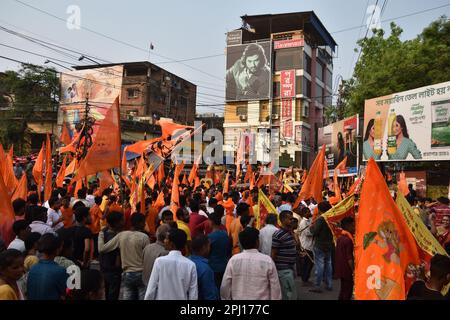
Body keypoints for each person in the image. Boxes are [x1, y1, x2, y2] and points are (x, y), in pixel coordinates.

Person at [98, 213, 150, 300]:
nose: (145, 224)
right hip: (141, 274)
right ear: (139, 223)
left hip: (127, 274)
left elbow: (102, 249)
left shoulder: (121, 235)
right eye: (144, 222)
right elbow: (147, 258)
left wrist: (101, 235)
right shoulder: (144, 237)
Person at [220, 227, 281, 300]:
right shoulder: (267, 261)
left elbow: (225, 286)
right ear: (257, 242)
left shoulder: (233, 260)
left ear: (241, 243)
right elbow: (275, 289)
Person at [144, 228, 198, 300]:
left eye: (166, 239)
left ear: (172, 244)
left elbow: (151, 290)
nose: (164, 241)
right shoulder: (190, 265)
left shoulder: (159, 262)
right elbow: (193, 294)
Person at [27, 233, 68, 300]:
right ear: (57, 250)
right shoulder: (60, 271)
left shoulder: (33, 268)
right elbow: (68, 292)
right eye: (61, 246)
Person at [271, 210, 297, 300]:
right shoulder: (278, 234)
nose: (292, 221)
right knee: (290, 294)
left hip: (290, 267)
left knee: (290, 293)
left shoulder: (290, 233)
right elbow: (273, 253)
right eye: (290, 219)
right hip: (283, 269)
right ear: (283, 219)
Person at [99, 211, 124, 300]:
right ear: (116, 223)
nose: (123, 222)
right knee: (113, 294)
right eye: (122, 220)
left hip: (104, 268)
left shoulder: (104, 232)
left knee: (108, 292)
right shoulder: (114, 237)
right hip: (113, 270)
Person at [309, 201, 334, 293]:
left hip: (320, 244)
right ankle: (329, 284)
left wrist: (311, 227)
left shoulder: (321, 219)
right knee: (328, 264)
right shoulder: (331, 217)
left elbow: (314, 231)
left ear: (319, 209)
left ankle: (317, 285)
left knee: (320, 265)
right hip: (329, 244)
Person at [189, 235, 219, 300]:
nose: (209, 248)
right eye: (208, 246)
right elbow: (209, 295)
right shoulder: (205, 269)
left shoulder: (187, 262)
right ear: (204, 248)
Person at [335, 217, 355, 300]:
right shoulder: (348, 240)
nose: (354, 228)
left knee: (343, 289)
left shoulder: (340, 238)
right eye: (353, 226)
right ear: (348, 226)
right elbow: (349, 258)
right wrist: (353, 270)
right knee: (347, 291)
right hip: (347, 270)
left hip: (340, 268)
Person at [298, 206, 314, 285]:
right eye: (308, 212)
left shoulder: (308, 221)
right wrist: (315, 231)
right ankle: (304, 280)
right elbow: (308, 233)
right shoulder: (303, 222)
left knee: (309, 264)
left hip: (309, 245)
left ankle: (306, 279)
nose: (310, 213)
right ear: (304, 214)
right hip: (305, 245)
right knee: (307, 264)